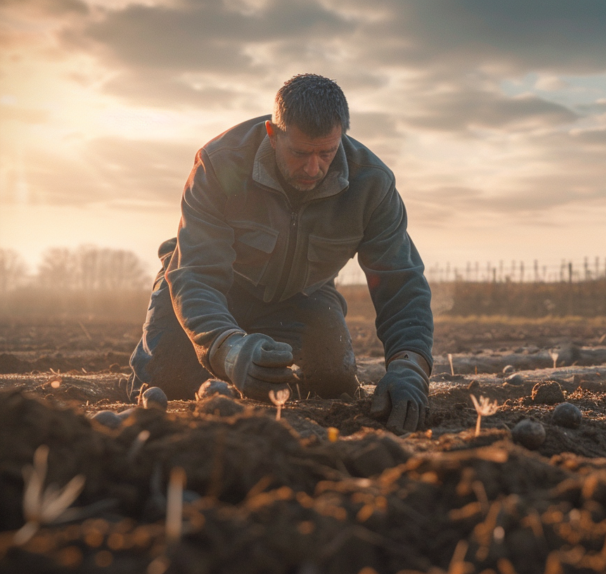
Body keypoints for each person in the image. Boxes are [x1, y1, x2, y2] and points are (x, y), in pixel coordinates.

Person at [126, 74, 433, 433]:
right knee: (168, 382)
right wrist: (229, 349)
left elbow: (400, 282)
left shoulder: (373, 185)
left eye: (327, 153)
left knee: (330, 381)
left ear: (341, 137)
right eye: (300, 153)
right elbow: (196, 272)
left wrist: (409, 366)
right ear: (273, 134)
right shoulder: (219, 163)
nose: (313, 167)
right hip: (214, 290)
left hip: (301, 296)